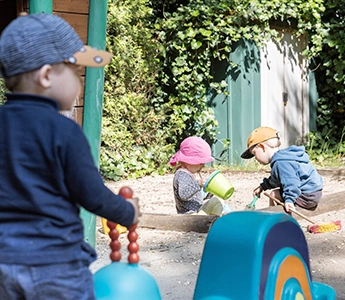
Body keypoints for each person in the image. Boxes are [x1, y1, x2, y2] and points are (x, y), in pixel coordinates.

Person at [0, 13, 140, 300]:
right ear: (47, 75)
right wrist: (128, 212)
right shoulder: (64, 131)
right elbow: (92, 195)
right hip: (55, 266)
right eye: (75, 72)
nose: (79, 81)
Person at [241, 126, 323, 212]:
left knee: (274, 195)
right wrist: (262, 187)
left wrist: (289, 200)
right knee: (279, 192)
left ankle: (276, 221)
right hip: (315, 192)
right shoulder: (286, 157)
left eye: (254, 153)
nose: (255, 158)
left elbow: (291, 181)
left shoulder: (281, 163)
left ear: (262, 147)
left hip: (307, 196)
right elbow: (276, 179)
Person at [169, 136, 230, 215]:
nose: (202, 166)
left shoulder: (188, 174)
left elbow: (197, 197)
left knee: (218, 200)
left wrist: (210, 190)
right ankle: (213, 222)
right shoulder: (182, 174)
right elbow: (183, 195)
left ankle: (213, 220)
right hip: (189, 216)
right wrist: (198, 184)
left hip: (197, 211)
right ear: (188, 160)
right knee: (216, 201)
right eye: (200, 163)